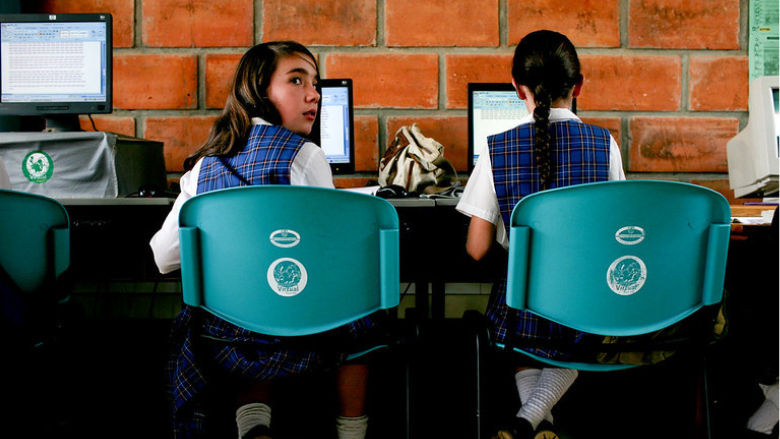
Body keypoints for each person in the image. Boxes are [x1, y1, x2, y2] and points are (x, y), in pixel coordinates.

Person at [150, 41, 373, 439]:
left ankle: (254, 428)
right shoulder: (303, 155)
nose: (313, 94)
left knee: (256, 302)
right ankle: (351, 432)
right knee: (364, 310)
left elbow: (165, 257)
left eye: (315, 83)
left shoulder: (206, 165)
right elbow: (326, 256)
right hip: (297, 328)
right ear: (259, 90)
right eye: (297, 80)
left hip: (223, 336)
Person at [456, 30, 625, 439]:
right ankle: (534, 422)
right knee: (578, 334)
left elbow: (476, 249)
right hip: (587, 308)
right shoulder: (605, 144)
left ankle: (526, 421)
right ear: (579, 84)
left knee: (523, 325)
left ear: (517, 88)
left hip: (522, 312)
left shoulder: (496, 149)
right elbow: (617, 233)